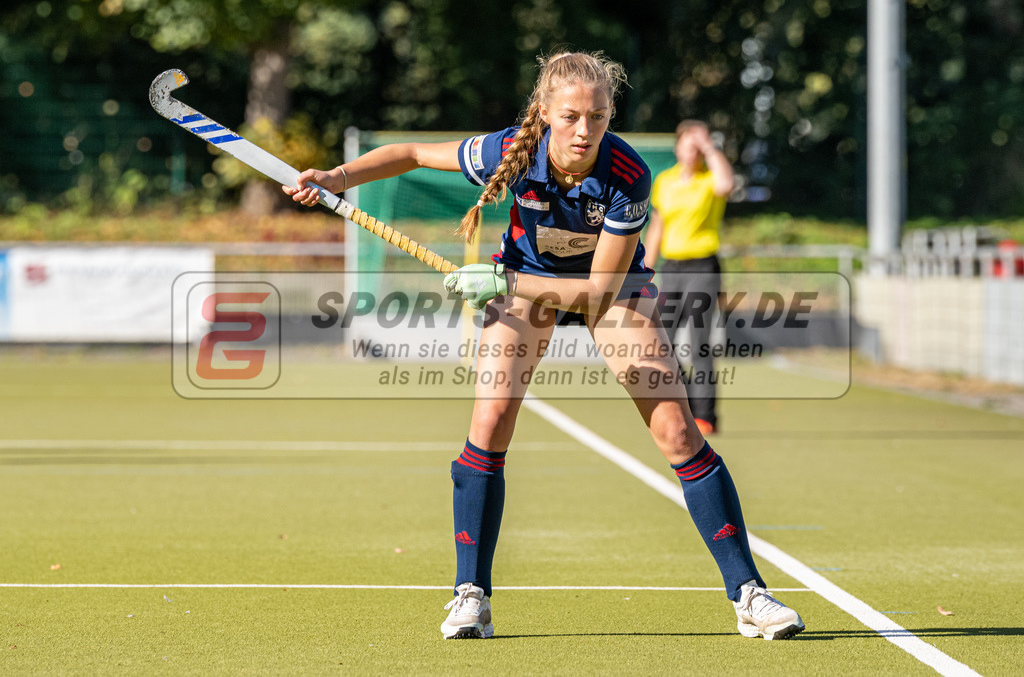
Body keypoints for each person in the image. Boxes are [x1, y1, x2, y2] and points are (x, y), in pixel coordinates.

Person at [284, 51, 803, 641]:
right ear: (544, 112)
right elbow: (407, 154)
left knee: (678, 432)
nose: (585, 131)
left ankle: (748, 594)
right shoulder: (509, 151)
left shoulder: (629, 176)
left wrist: (502, 281)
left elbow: (597, 294)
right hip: (526, 281)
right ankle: (470, 594)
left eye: (599, 117)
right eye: (572, 116)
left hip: (609, 290)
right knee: (492, 417)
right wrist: (336, 178)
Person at [643, 120, 734, 436]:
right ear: (678, 147)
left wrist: (710, 146)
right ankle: (685, 404)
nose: (692, 148)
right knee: (662, 342)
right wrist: (645, 268)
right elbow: (657, 226)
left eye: (698, 144)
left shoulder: (710, 179)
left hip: (703, 269)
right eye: (688, 142)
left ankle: (705, 415)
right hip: (672, 269)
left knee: (699, 344)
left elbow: (726, 185)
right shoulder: (665, 181)